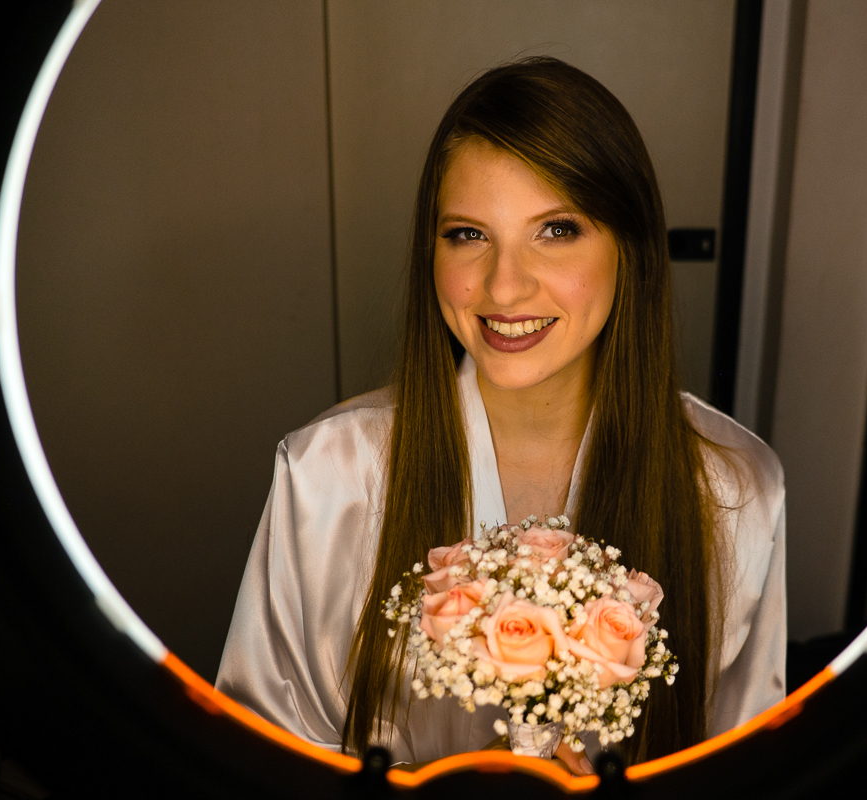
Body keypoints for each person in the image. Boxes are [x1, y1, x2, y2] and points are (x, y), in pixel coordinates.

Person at [215, 56, 785, 775]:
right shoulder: (327, 476)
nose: (504, 286)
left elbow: (744, 766)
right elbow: (258, 759)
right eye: (468, 235)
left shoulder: (733, 487)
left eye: (556, 230)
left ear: (630, 249)